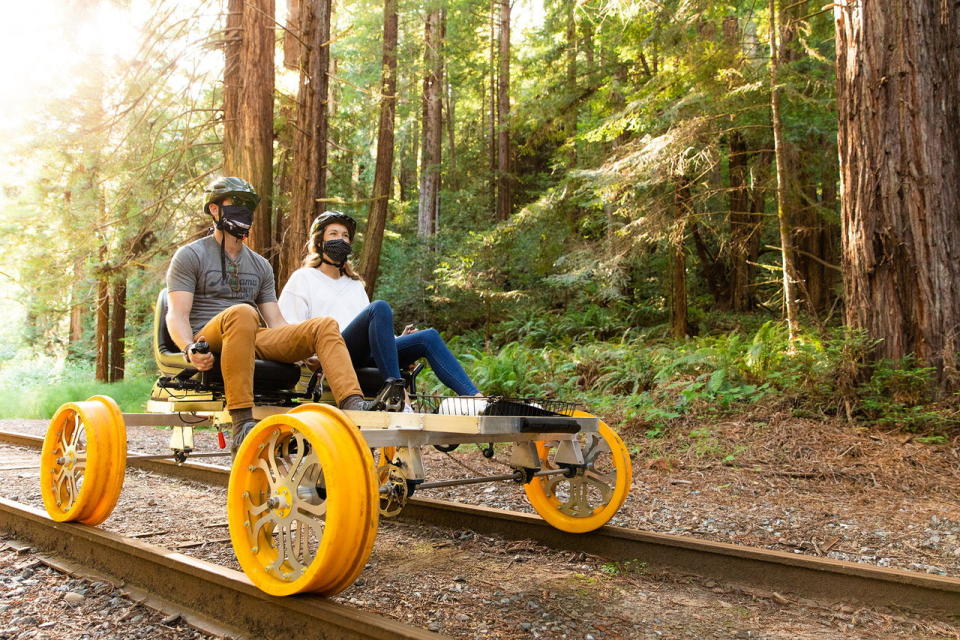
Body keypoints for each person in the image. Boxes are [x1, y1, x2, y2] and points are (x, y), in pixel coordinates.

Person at [165, 178, 376, 451]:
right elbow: (177, 314)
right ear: (215, 210)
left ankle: (352, 402)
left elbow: (276, 322)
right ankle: (242, 422)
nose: (244, 211)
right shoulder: (190, 255)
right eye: (236, 204)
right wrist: (188, 348)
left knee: (323, 325)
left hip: (250, 334)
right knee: (242, 312)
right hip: (209, 334)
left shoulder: (260, 265)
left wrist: (303, 350)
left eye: (248, 206)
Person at [278, 211, 483, 401]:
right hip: (331, 353)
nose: (341, 239)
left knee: (427, 337)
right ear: (319, 242)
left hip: (361, 354)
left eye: (345, 235)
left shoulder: (354, 285)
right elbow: (287, 330)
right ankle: (396, 393)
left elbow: (369, 329)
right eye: (333, 234)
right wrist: (308, 356)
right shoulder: (303, 278)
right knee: (380, 307)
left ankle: (476, 399)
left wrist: (398, 340)